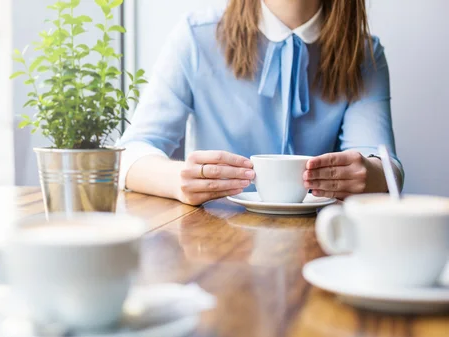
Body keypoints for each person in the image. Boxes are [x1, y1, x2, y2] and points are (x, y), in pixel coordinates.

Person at [117, 0, 403, 206]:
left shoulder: (364, 54)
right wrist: (180, 179)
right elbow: (129, 154)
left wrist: (370, 174)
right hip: (214, 238)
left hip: (326, 239)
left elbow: (388, 170)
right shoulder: (196, 36)